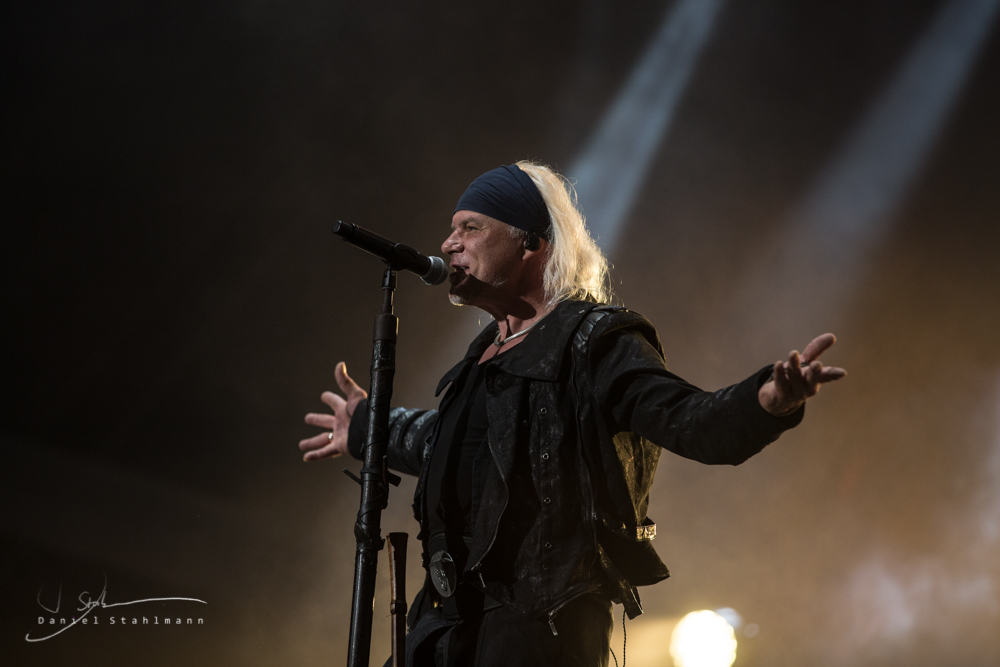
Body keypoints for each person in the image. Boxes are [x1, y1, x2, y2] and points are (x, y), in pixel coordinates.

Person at [298, 162, 845, 667]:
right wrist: (367, 427)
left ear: (531, 242)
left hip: (538, 632)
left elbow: (691, 421)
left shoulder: (594, 342)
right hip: (445, 628)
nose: (448, 243)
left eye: (471, 228)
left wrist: (766, 400)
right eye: (451, 229)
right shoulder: (483, 356)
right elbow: (453, 445)